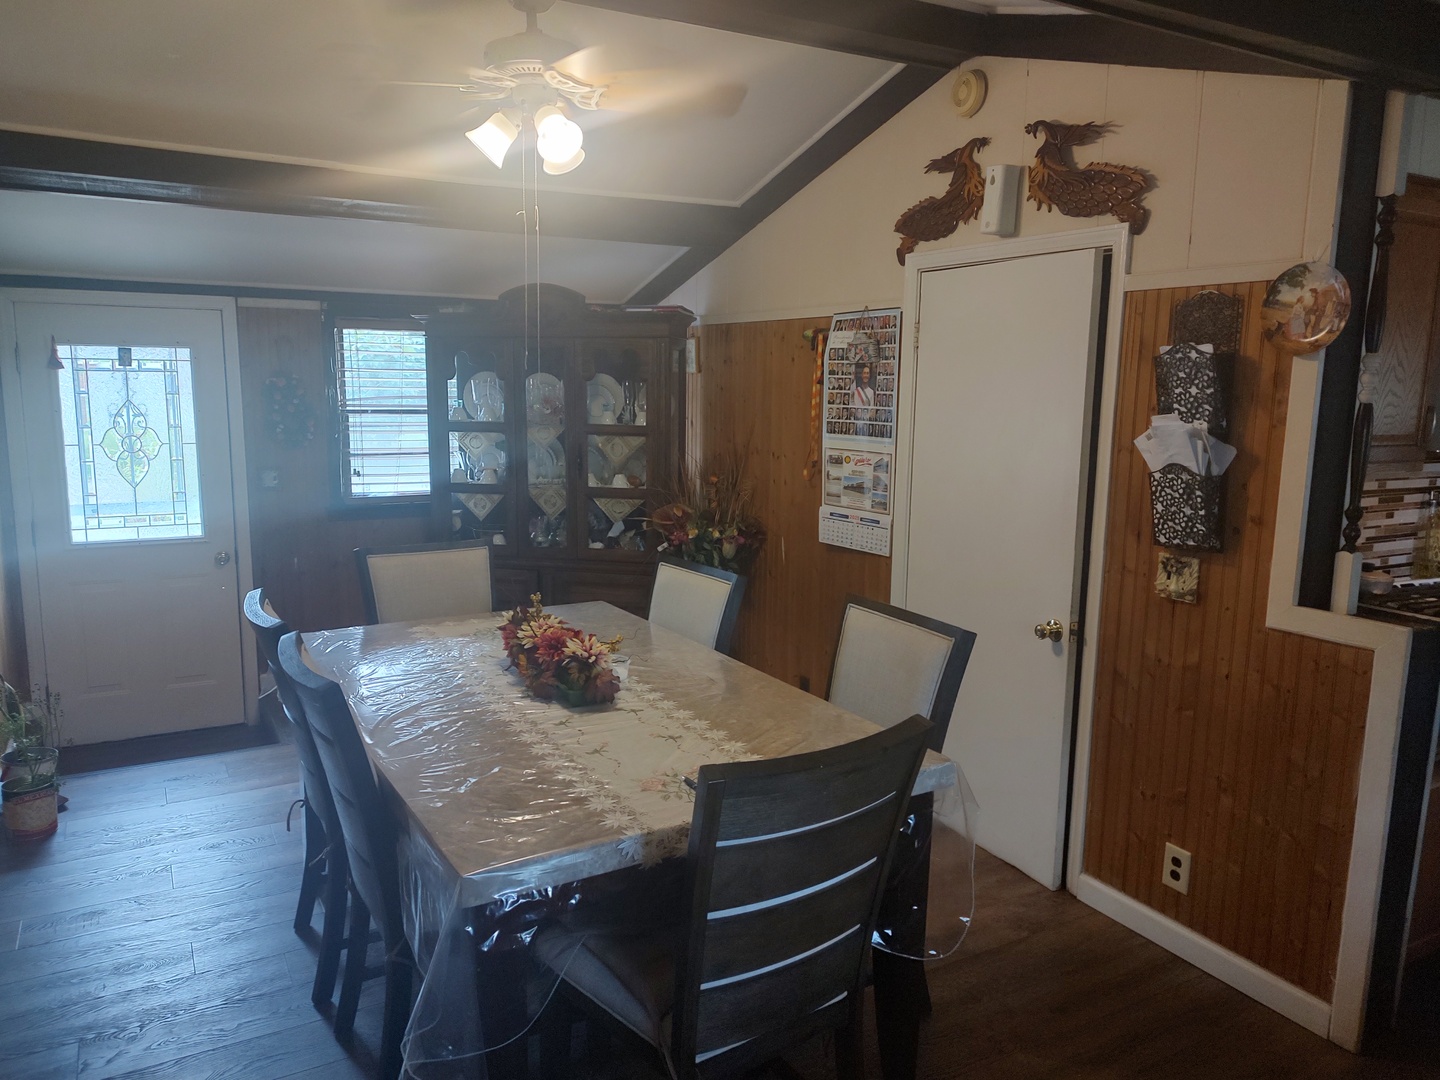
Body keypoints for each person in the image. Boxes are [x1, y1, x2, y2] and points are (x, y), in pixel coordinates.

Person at [851, 362, 876, 435]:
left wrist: (866, 418)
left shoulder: (871, 392)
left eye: (867, 373)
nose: (866, 375)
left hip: (866, 424)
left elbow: (872, 409)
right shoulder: (856, 391)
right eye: (864, 373)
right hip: (857, 423)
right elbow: (854, 407)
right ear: (862, 375)